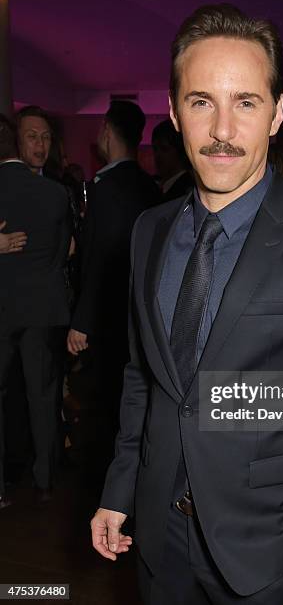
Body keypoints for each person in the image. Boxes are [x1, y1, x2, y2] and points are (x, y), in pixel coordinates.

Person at [90, 4, 283, 605]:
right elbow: (142, 376)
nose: (223, 128)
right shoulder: (148, 230)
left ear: (276, 113)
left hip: (266, 551)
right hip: (158, 537)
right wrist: (119, 491)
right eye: (201, 102)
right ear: (173, 113)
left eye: (245, 102)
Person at [67, 101, 162, 467]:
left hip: (109, 315)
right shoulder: (149, 187)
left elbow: (99, 259)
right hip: (140, 311)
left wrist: (82, 320)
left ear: (106, 129)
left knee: (110, 401)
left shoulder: (104, 188)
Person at [0, 114, 70, 507]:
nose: (40, 144)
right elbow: (61, 256)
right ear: (17, 142)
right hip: (42, 306)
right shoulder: (56, 194)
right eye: (32, 136)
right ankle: (44, 482)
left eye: (46, 136)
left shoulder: (53, 191)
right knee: (43, 396)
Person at [152, 118, 194, 201]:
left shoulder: (185, 190)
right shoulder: (160, 186)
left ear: (181, 151)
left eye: (165, 149)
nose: (157, 155)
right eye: (155, 149)